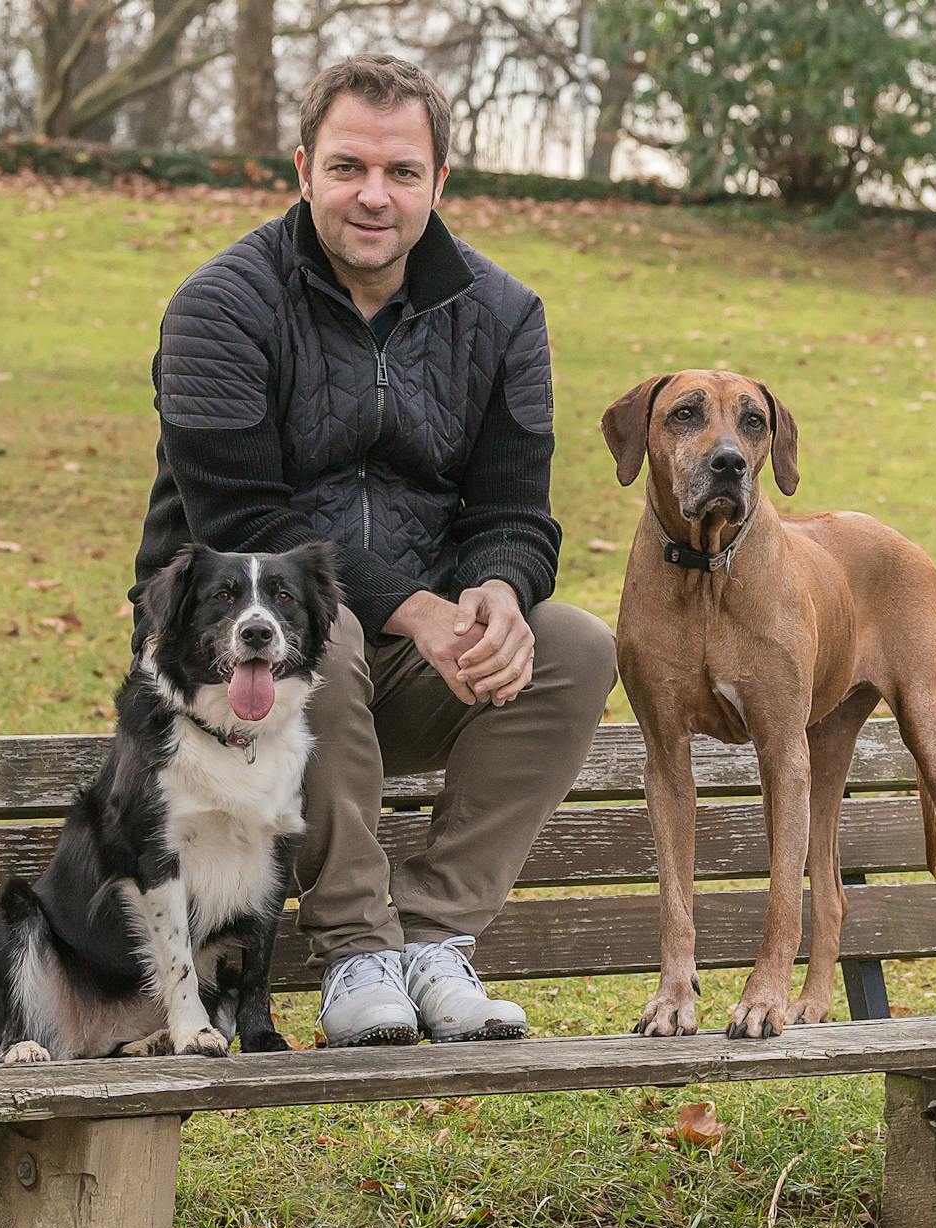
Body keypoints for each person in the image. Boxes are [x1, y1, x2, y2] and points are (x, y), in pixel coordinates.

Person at [132, 53, 616, 1047]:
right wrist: (412, 605)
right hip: (235, 668)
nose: (373, 196)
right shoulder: (218, 309)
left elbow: (515, 512)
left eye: (401, 173)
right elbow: (244, 523)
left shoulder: (502, 315)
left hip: (402, 667)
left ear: (440, 184)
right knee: (325, 634)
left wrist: (497, 592)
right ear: (303, 167)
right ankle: (355, 945)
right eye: (349, 166)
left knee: (573, 646)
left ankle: (435, 941)